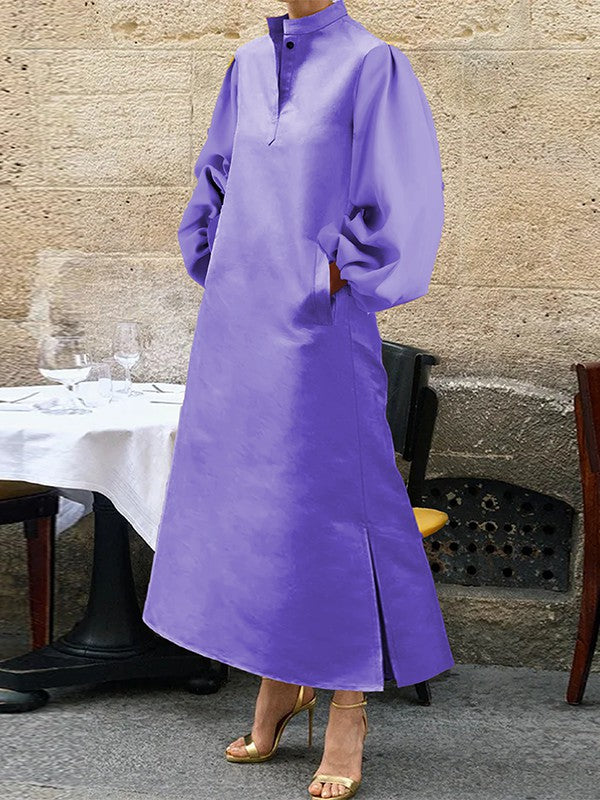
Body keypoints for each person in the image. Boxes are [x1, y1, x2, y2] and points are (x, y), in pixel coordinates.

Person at [142, 1, 454, 797]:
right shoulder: (248, 65)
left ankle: (348, 708)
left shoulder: (372, 64)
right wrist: (225, 265)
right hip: (238, 325)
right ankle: (279, 684)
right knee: (255, 506)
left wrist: (326, 275)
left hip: (320, 327)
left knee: (331, 508)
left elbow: (402, 194)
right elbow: (218, 176)